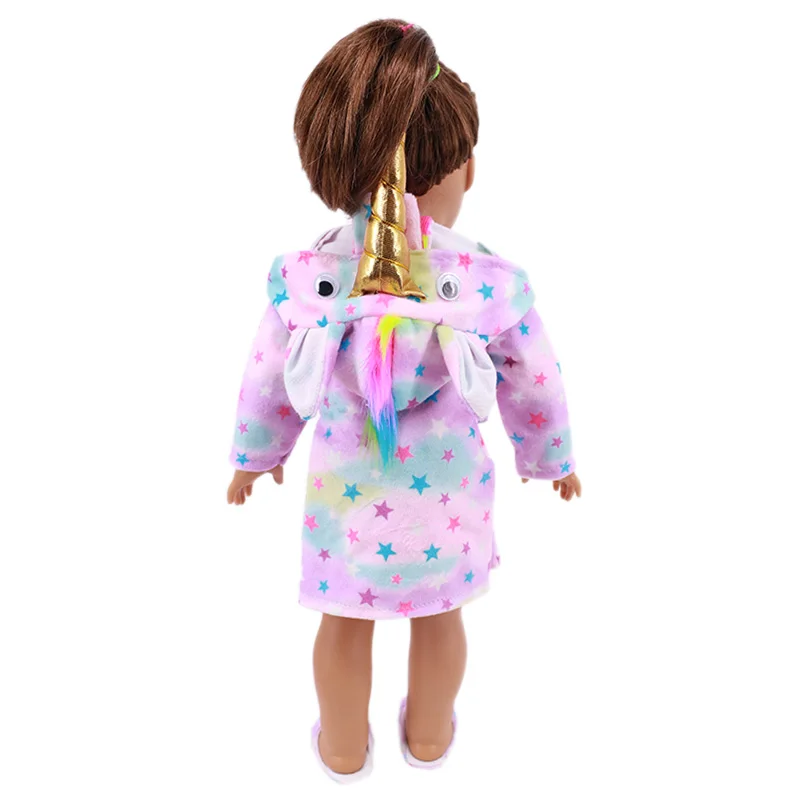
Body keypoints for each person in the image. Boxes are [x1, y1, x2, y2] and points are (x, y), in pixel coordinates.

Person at [226, 19, 581, 783]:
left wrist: (256, 456)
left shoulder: (314, 278)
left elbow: (268, 375)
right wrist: (549, 459)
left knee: (344, 625)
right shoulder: (484, 282)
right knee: (440, 618)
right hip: (447, 504)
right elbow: (535, 378)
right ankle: (428, 734)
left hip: (346, 507)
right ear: (464, 170)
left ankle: (342, 747)